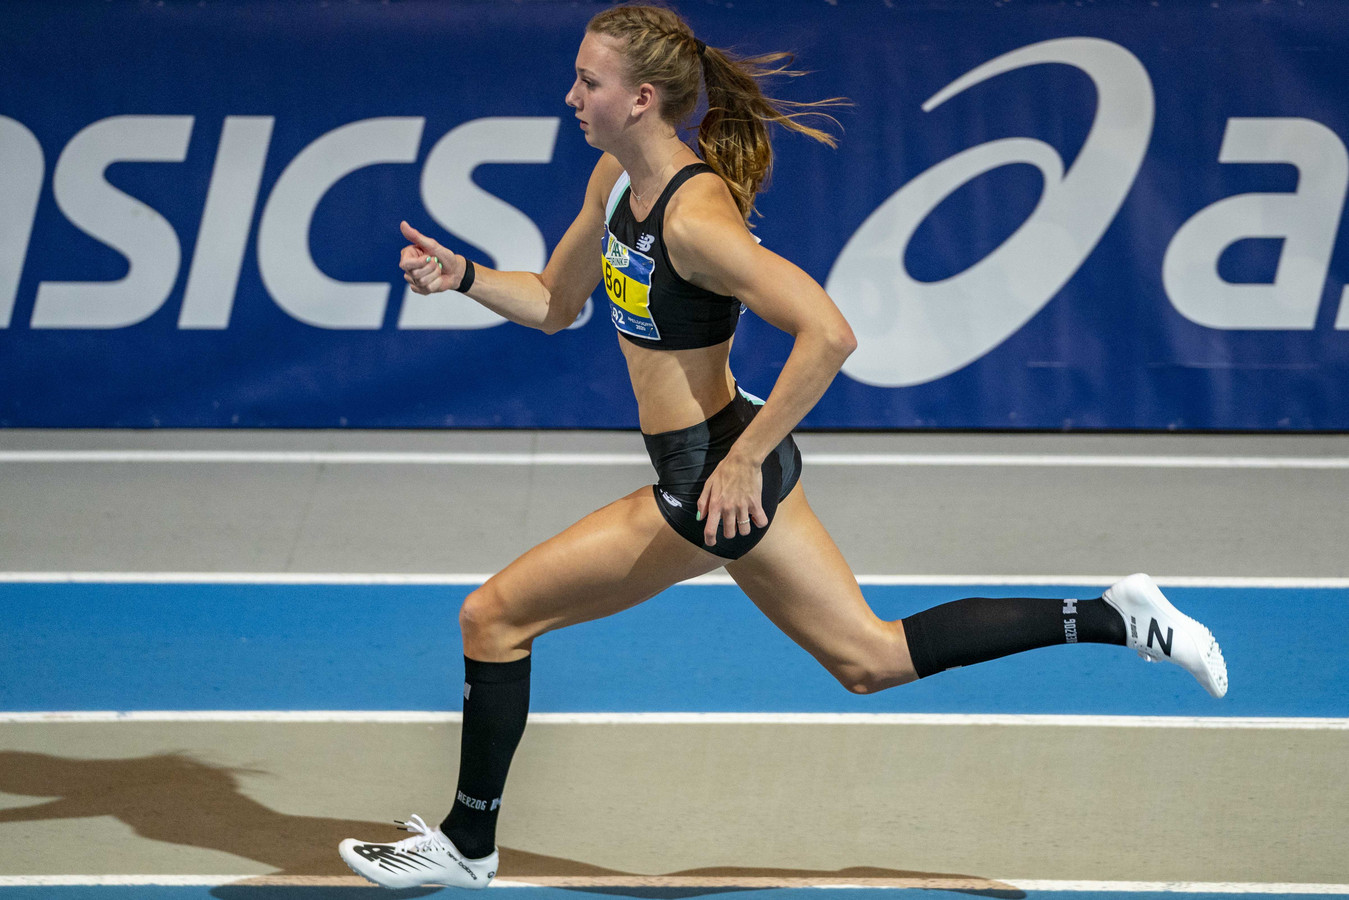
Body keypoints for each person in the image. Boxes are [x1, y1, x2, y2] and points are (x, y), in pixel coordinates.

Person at [339, 5, 1227, 890]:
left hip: (710, 479)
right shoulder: (614, 179)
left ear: (642, 98)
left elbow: (829, 335)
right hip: (727, 462)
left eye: (589, 81)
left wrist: (739, 460)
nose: (571, 94)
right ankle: (1117, 616)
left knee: (493, 618)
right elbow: (550, 303)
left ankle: (466, 843)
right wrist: (460, 277)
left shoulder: (694, 222)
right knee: (869, 660)